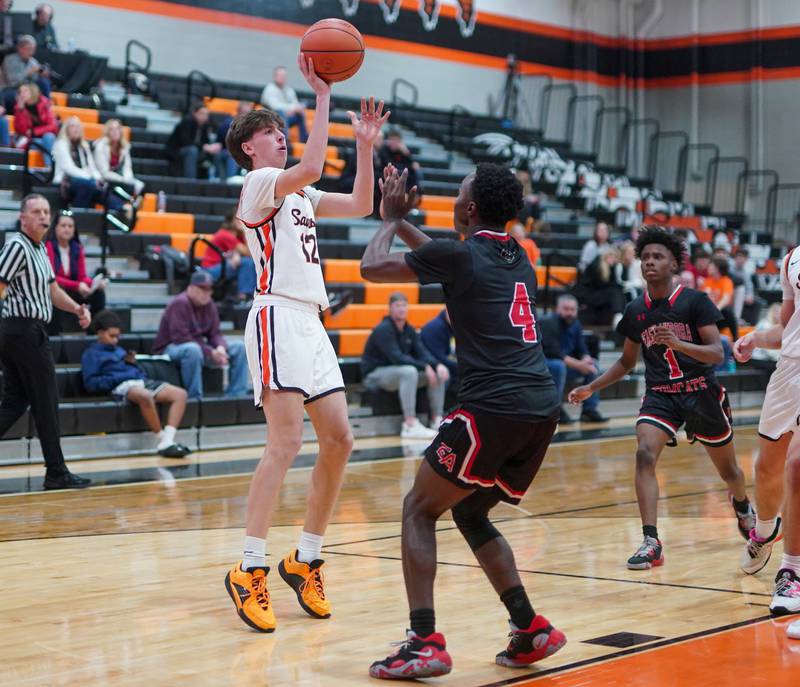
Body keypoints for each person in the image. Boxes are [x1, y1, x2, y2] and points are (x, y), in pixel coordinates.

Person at [362, 164, 566, 679]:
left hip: (491, 407)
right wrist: (407, 220)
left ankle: (423, 641)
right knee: (471, 513)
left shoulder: (460, 255)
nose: (454, 198)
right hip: (541, 408)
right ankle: (530, 628)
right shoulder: (519, 256)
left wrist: (388, 217)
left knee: (417, 509)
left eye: (459, 193)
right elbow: (444, 255)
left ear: (470, 209)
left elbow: (372, 265)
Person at [221, 54, 388, 633]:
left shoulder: (298, 196)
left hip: (311, 323)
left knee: (340, 439)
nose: (280, 140)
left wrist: (364, 146)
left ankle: (307, 557)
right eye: (271, 133)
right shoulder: (258, 185)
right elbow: (314, 163)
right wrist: (322, 96)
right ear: (250, 148)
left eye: (279, 132)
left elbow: (363, 206)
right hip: (274, 317)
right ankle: (249, 567)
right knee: (285, 443)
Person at [569, 226, 754, 570]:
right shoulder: (636, 310)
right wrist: (591, 387)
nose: (650, 262)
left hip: (701, 392)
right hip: (661, 396)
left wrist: (680, 344)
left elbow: (718, 353)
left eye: (659, 257)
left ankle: (743, 505)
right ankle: (651, 540)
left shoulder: (695, 301)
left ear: (673, 265)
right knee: (643, 453)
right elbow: (626, 362)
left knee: (729, 471)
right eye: (646, 257)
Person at [0, 194, 91, 490]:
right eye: (36, 211)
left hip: (28, 330)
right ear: (22, 217)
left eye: (46, 211)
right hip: (22, 330)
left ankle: (56, 470)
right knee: (46, 401)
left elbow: (52, 291)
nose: (42, 216)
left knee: (17, 400)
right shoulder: (17, 246)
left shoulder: (40, 249)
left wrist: (77, 308)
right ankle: (56, 472)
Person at [733, 244, 800, 625]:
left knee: (797, 465)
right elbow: (789, 327)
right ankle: (764, 530)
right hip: (789, 371)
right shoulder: (793, 259)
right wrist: (757, 338)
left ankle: (792, 573)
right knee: (768, 468)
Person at [81, 310, 190, 458]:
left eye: (117, 337)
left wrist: (133, 365)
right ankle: (162, 439)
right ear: (99, 333)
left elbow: (134, 371)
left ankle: (168, 440)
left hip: (140, 381)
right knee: (145, 396)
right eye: (111, 336)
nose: (115, 340)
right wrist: (119, 377)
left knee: (180, 394)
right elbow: (91, 384)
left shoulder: (120, 350)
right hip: (120, 386)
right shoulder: (90, 354)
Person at [361, 292, 447, 439]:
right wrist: (425, 367)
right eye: (397, 306)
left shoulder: (409, 330)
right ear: (390, 308)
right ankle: (410, 424)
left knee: (437, 373)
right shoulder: (383, 329)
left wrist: (437, 364)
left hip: (397, 374)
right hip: (375, 375)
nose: (401, 309)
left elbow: (422, 353)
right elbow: (397, 358)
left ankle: (436, 419)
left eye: (404, 306)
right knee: (409, 372)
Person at [151, 270, 249, 399]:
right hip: (169, 349)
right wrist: (210, 352)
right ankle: (195, 398)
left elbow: (215, 333)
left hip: (199, 347)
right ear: (190, 288)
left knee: (239, 347)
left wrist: (220, 348)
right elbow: (181, 338)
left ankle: (237, 395)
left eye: (209, 289)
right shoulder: (180, 303)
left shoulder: (209, 304)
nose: (206, 293)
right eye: (202, 288)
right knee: (193, 350)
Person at [540, 294, 607, 424]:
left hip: (566, 365)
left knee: (594, 366)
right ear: (557, 309)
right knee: (558, 366)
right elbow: (554, 353)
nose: (570, 313)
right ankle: (555, 409)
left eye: (572, 309)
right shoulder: (548, 323)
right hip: (546, 365)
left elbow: (581, 348)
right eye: (566, 309)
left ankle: (589, 410)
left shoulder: (575, 324)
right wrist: (580, 365)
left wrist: (586, 358)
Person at [45, 209, 107, 332]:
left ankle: (94, 331)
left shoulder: (77, 248)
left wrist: (93, 283)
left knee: (99, 294)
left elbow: (82, 276)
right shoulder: (49, 246)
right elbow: (51, 277)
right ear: (55, 228)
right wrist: (78, 285)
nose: (67, 229)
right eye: (63, 225)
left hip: (73, 291)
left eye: (70, 226)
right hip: (58, 289)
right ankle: (55, 335)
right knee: (54, 291)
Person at [53, 116, 123, 210]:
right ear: (66, 130)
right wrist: (89, 177)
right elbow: (68, 168)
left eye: (78, 126)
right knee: (88, 186)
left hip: (85, 180)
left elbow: (92, 167)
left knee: (103, 188)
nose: (76, 129)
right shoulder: (61, 144)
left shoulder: (84, 145)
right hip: (65, 181)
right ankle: (78, 215)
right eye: (73, 126)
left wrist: (99, 179)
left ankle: (121, 209)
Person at [200, 212, 256, 301]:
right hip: (210, 270)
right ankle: (244, 297)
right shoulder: (225, 234)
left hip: (221, 265)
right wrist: (245, 230)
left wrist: (236, 254)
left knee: (249, 262)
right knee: (247, 263)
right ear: (232, 221)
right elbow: (248, 253)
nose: (243, 221)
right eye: (239, 219)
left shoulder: (237, 236)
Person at [165, 102, 225, 180]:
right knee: (192, 150)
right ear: (195, 113)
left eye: (206, 114)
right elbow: (186, 142)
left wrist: (212, 146)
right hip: (177, 151)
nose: (205, 116)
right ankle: (190, 181)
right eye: (202, 113)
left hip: (197, 151)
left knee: (217, 153)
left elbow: (205, 141)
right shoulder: (187, 121)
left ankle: (221, 180)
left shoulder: (205, 126)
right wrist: (205, 147)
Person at [573, 246, 625, 326]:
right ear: (605, 257)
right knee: (614, 292)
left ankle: (619, 316)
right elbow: (597, 285)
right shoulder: (596, 267)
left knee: (618, 292)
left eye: (615, 257)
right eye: (612, 257)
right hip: (589, 296)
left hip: (598, 295)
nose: (614, 260)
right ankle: (618, 315)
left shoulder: (611, 267)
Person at [93, 118, 145, 195]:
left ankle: (130, 205)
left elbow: (127, 168)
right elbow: (104, 172)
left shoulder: (125, 147)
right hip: (103, 179)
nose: (115, 131)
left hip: (119, 179)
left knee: (140, 186)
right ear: (107, 132)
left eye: (117, 128)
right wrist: (123, 180)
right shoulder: (100, 146)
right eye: (111, 129)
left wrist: (127, 180)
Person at [0, 34, 50, 108]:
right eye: (29, 49)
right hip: (10, 89)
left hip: (26, 89)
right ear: (20, 48)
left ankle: (46, 109)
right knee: (20, 95)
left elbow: (34, 81)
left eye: (33, 49)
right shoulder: (10, 60)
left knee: (44, 82)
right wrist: (29, 72)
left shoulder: (33, 61)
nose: (31, 52)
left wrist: (42, 75)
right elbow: (13, 82)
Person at [260, 65, 308, 143]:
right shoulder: (269, 88)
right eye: (280, 75)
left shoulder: (289, 90)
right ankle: (284, 139)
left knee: (300, 113)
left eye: (284, 75)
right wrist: (291, 109)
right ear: (275, 76)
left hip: (286, 117)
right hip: (270, 118)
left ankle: (304, 139)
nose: (282, 77)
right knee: (281, 112)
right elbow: (274, 106)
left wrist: (295, 109)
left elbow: (295, 103)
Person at [12, 81, 57, 156]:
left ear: (33, 92)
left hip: (45, 138)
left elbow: (53, 126)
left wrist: (34, 131)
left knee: (48, 137)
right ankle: (49, 166)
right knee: (42, 143)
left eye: (25, 91)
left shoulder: (44, 103)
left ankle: (48, 166)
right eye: (21, 92)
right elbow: (21, 131)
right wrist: (21, 110)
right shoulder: (19, 108)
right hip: (30, 140)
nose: (22, 94)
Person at [420, 308, 458, 391]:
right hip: (430, 364)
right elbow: (437, 356)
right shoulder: (435, 328)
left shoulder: (453, 326)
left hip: (442, 364)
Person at [702, 256, 738, 341]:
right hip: (708, 315)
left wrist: (716, 309)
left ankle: (735, 339)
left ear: (717, 268)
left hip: (720, 315)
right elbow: (704, 298)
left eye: (711, 266)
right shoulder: (707, 281)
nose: (708, 268)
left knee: (728, 311)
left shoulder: (726, 281)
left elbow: (726, 299)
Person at [217, 101, 253, 179]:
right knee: (232, 155)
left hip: (246, 151)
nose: (246, 115)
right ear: (238, 112)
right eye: (244, 112)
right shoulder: (228, 123)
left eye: (248, 113)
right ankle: (231, 180)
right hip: (227, 150)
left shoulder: (252, 126)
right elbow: (225, 141)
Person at [748, 303, 782, 373]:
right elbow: (768, 350)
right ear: (773, 313)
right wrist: (780, 358)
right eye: (778, 313)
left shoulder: (777, 326)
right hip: (759, 358)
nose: (780, 315)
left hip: (768, 358)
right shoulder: (765, 325)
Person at [730, 247, 756, 322]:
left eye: (743, 257)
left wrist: (750, 295)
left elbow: (749, 286)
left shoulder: (746, 272)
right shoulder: (729, 267)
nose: (741, 259)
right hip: (727, 291)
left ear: (746, 259)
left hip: (737, 295)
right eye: (739, 256)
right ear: (735, 257)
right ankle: (735, 319)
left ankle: (737, 319)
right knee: (741, 290)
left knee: (743, 291)